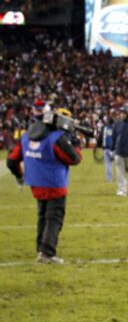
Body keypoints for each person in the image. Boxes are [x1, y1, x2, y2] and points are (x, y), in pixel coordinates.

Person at [5, 106, 83, 264]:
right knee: (54, 219)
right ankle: (47, 253)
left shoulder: (27, 136)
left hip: (36, 184)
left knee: (42, 217)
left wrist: (20, 176)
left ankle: (41, 249)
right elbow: (74, 158)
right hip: (54, 184)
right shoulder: (56, 137)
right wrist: (74, 144)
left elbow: (11, 160)